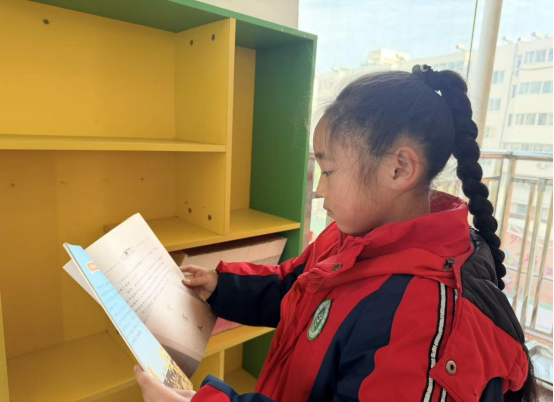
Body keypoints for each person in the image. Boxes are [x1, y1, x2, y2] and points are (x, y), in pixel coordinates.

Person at [135, 65, 537, 402]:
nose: (319, 190)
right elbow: (294, 285)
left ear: (399, 169)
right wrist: (221, 286)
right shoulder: (351, 237)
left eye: (328, 171)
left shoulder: (424, 316)